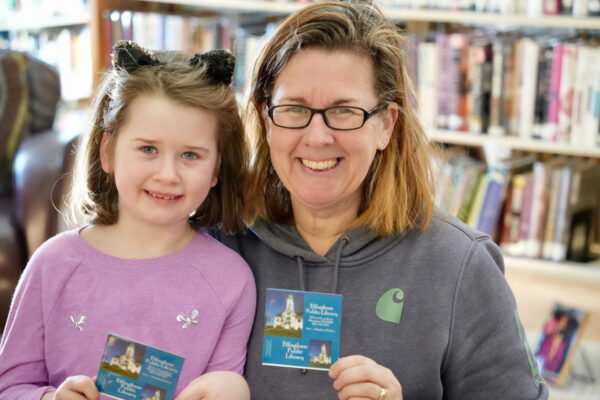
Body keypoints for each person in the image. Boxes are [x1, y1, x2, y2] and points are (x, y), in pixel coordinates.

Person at [214, 1, 549, 399]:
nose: (317, 137)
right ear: (265, 118)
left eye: (343, 111)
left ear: (386, 125)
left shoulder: (460, 266)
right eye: (294, 108)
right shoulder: (217, 243)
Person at [0, 41, 256, 400]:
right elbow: (9, 387)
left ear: (216, 168)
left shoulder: (232, 280)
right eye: (148, 149)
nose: (168, 174)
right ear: (108, 151)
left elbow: (223, 383)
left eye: (190, 155)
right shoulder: (53, 265)